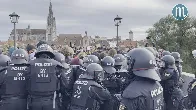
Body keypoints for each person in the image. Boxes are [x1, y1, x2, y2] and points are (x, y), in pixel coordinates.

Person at [27, 44, 68, 110]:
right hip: (52, 102)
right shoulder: (57, 65)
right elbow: (65, 85)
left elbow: (24, 83)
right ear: (50, 54)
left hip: (34, 102)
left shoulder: (29, 65)